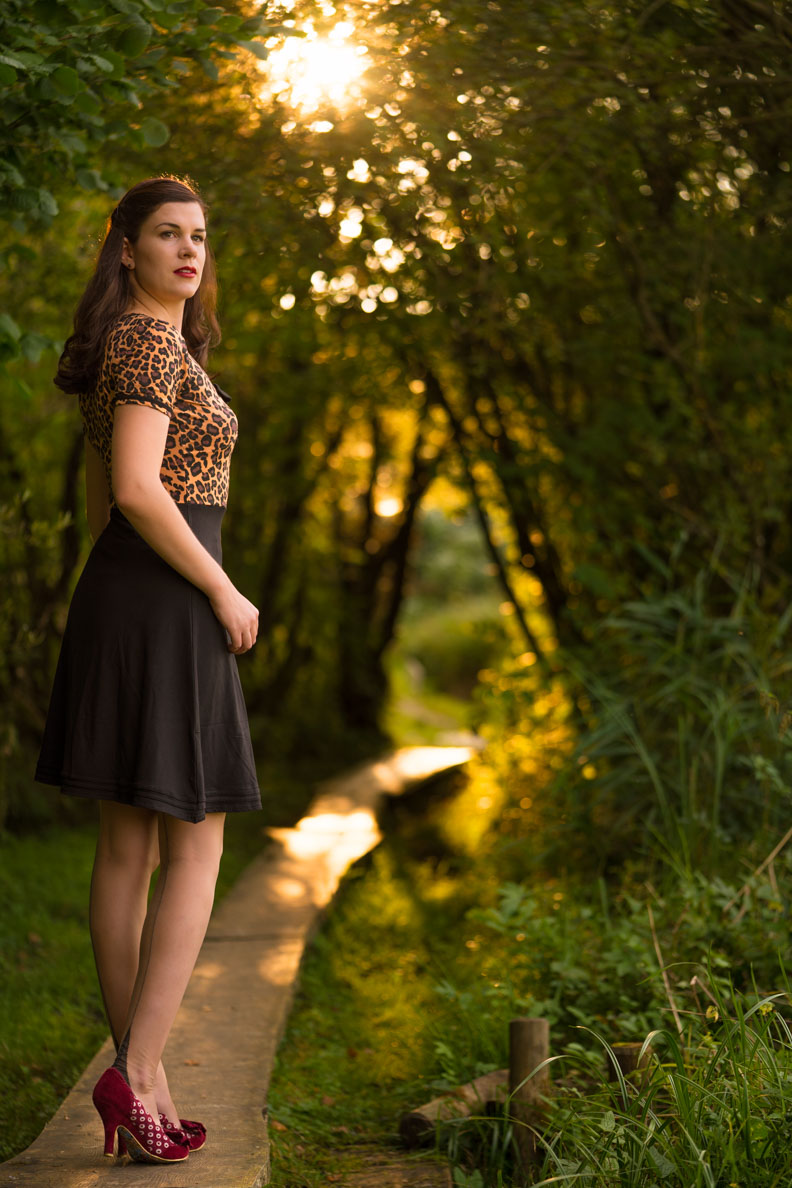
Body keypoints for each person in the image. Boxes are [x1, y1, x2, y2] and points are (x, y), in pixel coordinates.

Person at [33, 175, 262, 1164]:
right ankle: (140, 1070)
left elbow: (102, 503)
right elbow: (132, 487)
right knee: (194, 845)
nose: (188, 250)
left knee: (129, 851)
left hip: (131, 598)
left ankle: (145, 1084)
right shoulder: (143, 340)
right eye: (167, 234)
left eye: (199, 236)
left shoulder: (146, 345)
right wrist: (219, 590)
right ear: (124, 246)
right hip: (166, 598)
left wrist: (114, 613)